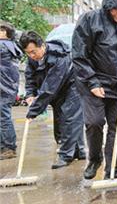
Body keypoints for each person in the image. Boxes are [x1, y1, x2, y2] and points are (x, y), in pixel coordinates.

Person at [72, 0, 117, 180]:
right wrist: (92, 82)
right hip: (93, 82)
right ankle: (94, 159)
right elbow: (79, 54)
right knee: (94, 123)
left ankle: (114, 167)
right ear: (109, 6)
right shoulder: (90, 20)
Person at [19, 31, 86, 168]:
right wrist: (30, 95)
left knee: (70, 119)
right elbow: (30, 77)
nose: (31, 56)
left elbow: (50, 87)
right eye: (28, 53)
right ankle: (79, 151)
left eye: (33, 52)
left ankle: (66, 155)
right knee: (60, 121)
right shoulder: (33, 59)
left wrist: (34, 111)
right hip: (56, 91)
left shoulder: (60, 56)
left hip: (72, 86)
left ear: (42, 45)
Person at [0, 22, 23, 160]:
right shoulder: (13, 46)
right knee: (3, 117)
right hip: (8, 88)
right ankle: (5, 147)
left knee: (3, 118)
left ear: (5, 33)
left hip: (2, 88)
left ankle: (8, 148)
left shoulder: (2, 45)